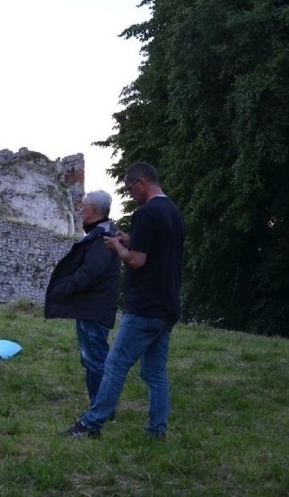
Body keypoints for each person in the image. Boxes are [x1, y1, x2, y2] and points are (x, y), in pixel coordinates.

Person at [61, 162, 185, 440]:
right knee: (155, 373)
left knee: (115, 364)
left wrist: (118, 247)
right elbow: (156, 249)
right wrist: (131, 239)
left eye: (130, 189)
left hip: (145, 307)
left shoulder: (147, 212)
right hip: (168, 306)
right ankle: (156, 431)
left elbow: (138, 260)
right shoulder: (173, 212)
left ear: (141, 182)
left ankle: (91, 424)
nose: (130, 195)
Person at [45, 190, 121, 407]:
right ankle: (99, 406)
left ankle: (101, 409)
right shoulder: (101, 234)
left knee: (95, 360)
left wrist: (67, 287)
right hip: (92, 308)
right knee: (91, 359)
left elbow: (91, 271)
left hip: (94, 309)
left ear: (94, 210)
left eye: (84, 206)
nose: (80, 209)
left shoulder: (103, 237)